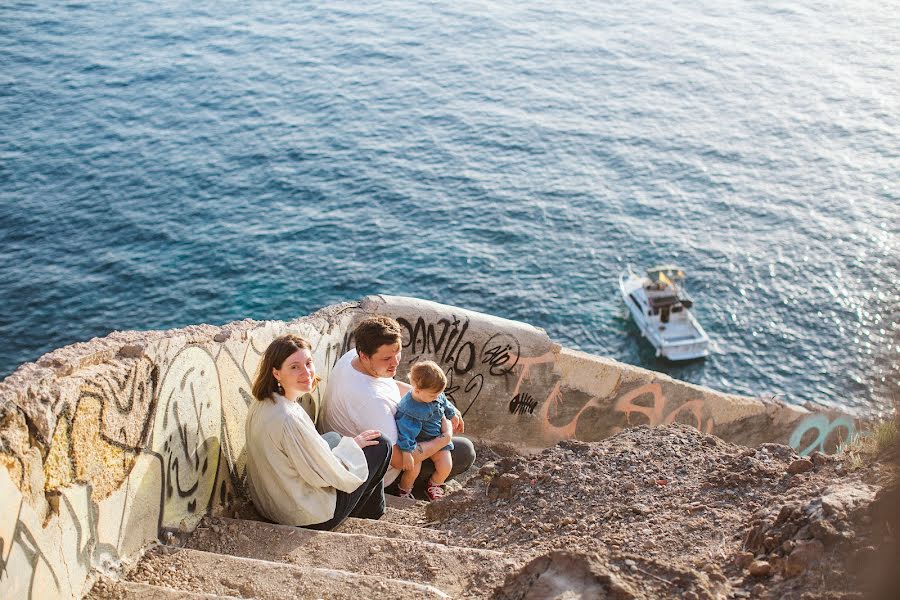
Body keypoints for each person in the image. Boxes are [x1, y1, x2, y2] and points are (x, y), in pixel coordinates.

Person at [244, 334, 391, 530]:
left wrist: (346, 446)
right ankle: (370, 514)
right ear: (276, 373)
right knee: (381, 444)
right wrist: (352, 448)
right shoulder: (288, 418)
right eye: (294, 367)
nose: (306, 372)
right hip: (307, 515)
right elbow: (321, 476)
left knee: (334, 438)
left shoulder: (264, 401)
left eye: (308, 363)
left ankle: (361, 506)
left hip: (272, 502)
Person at [321, 316, 475, 494]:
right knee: (464, 452)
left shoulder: (353, 360)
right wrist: (444, 438)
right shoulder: (371, 402)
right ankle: (408, 491)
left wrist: (442, 401)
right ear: (364, 355)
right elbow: (400, 460)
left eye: (398, 353)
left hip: (359, 447)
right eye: (387, 358)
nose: (395, 362)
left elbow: (392, 385)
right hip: (383, 477)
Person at [395, 361, 457, 501]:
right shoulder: (410, 409)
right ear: (417, 391)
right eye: (433, 396)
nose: (437, 397)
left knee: (446, 465)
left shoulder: (434, 394)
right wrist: (406, 453)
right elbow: (404, 432)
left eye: (439, 394)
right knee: (412, 471)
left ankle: (434, 485)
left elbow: (444, 403)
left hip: (435, 437)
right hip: (416, 443)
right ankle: (404, 490)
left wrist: (452, 414)